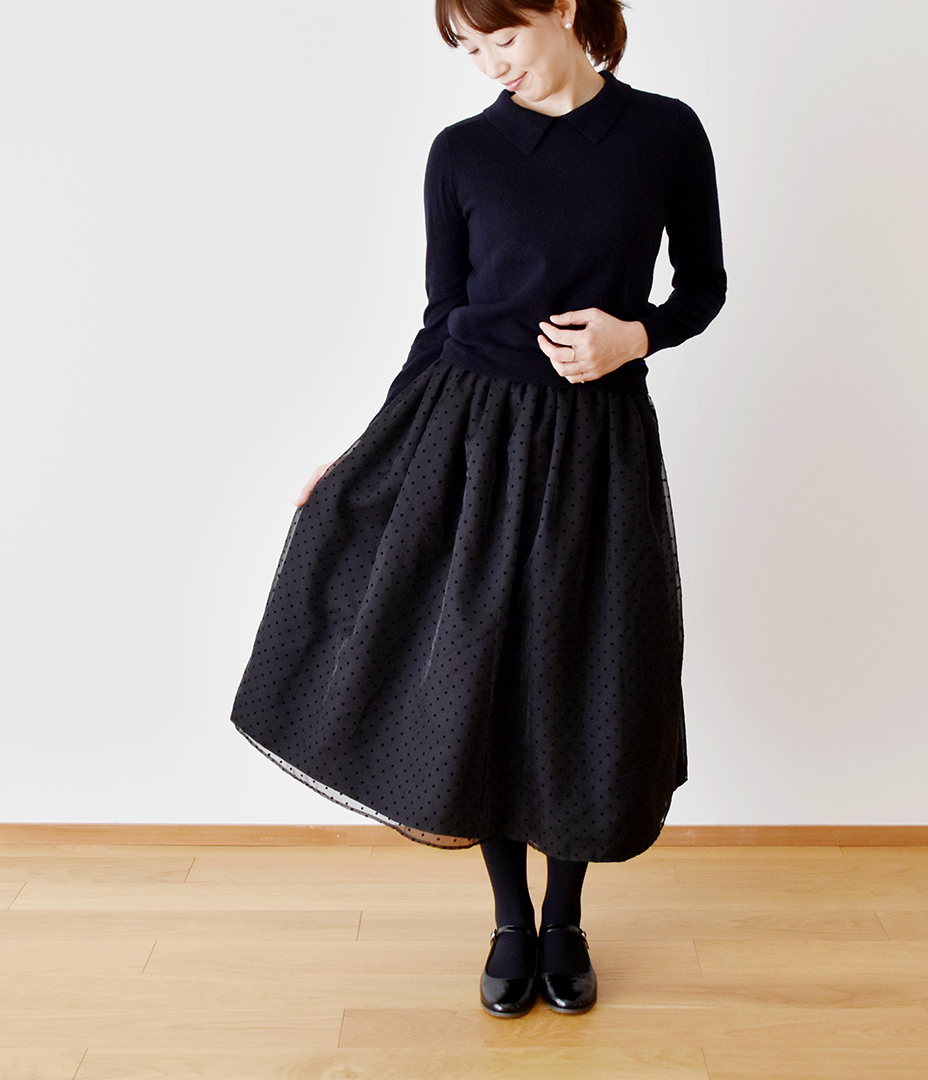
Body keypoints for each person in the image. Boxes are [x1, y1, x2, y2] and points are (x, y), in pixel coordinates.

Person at [231, 0, 725, 1018]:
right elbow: (441, 320)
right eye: (468, 49)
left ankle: (565, 922)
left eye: (501, 38)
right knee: (479, 673)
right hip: (468, 440)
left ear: (562, 9)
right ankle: (509, 921)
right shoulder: (460, 153)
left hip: (598, 443)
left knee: (582, 672)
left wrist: (635, 338)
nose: (490, 64)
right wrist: (364, 452)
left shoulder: (664, 132)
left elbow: (704, 286)